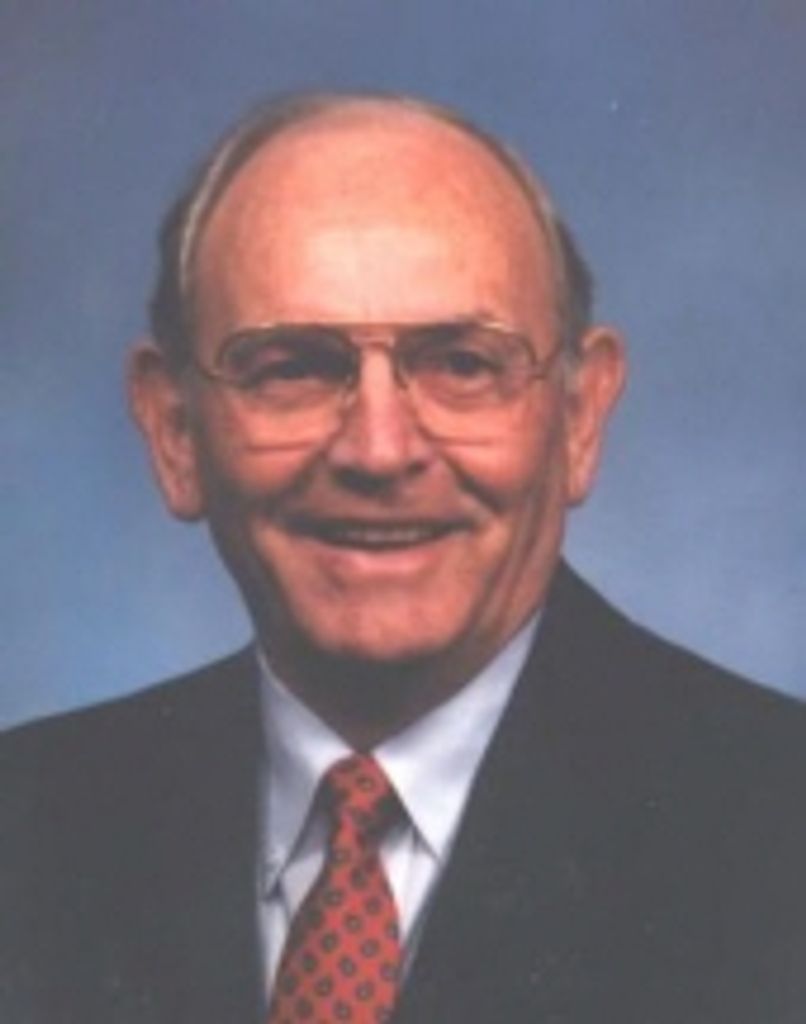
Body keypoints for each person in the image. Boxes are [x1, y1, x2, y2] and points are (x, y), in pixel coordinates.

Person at [2, 92, 804, 1024]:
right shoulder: (29, 826)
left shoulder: (778, 829)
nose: (378, 451)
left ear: (580, 418)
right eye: (292, 367)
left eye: (463, 363)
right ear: (174, 430)